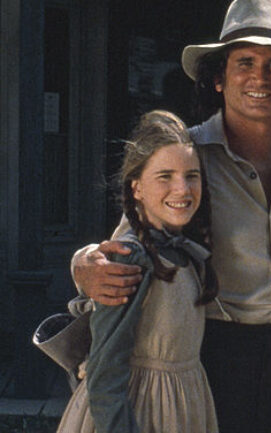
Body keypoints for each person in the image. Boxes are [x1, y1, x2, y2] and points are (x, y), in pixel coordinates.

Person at [68, 1, 271, 431]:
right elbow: (129, 242)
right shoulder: (185, 157)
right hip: (213, 355)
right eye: (244, 62)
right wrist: (83, 264)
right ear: (217, 77)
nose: (260, 78)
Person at [57, 110, 218, 433]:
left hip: (184, 406)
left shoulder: (182, 250)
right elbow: (104, 372)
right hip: (139, 412)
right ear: (137, 189)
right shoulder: (131, 258)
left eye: (192, 175)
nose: (182, 189)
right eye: (165, 176)